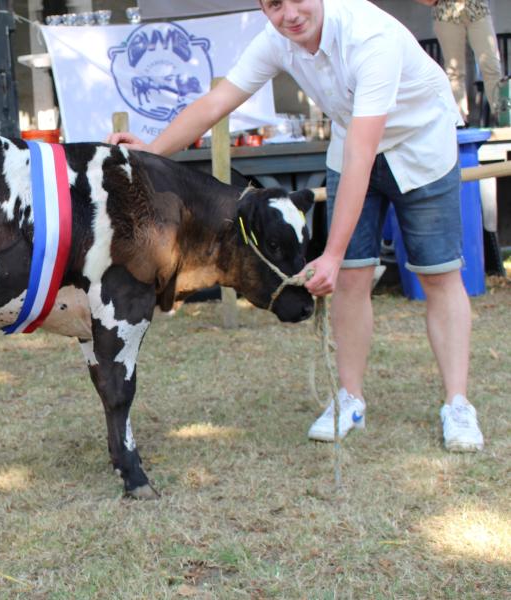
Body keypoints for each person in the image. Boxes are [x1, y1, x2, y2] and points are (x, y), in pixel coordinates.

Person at [107, 0, 485, 452]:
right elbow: (217, 102)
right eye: (273, 4)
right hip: (352, 141)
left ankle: (458, 404)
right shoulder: (277, 40)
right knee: (352, 277)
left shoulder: (370, 38)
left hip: (420, 143)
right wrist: (151, 152)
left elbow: (363, 153)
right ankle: (349, 399)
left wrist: (332, 253)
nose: (288, 14)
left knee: (439, 275)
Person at [415, 0, 503, 127]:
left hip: (478, 10)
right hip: (446, 14)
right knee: (454, 72)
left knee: (491, 67)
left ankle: (503, 115)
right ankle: (459, 122)